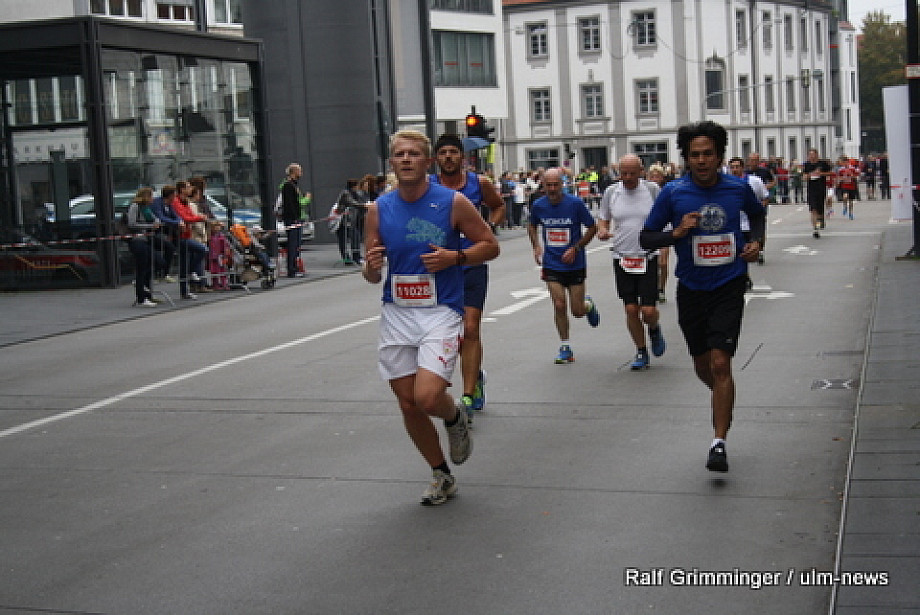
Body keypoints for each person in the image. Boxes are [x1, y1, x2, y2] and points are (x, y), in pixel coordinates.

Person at [362, 129, 499, 506]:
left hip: (441, 310)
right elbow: (371, 273)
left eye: (413, 154)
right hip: (397, 313)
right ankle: (441, 474)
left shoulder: (453, 202)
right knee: (408, 403)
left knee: (427, 396)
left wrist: (456, 257)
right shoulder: (377, 209)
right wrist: (371, 268)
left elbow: (490, 246)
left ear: (427, 161)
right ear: (392, 162)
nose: (406, 159)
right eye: (399, 154)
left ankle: (454, 417)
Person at [640, 121, 765, 472]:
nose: (702, 160)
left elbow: (757, 215)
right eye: (695, 155)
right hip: (692, 289)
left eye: (708, 154)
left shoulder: (737, 188)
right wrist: (676, 232)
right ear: (686, 158)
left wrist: (756, 242)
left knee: (721, 363)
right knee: (702, 365)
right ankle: (723, 396)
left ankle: (718, 442)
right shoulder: (673, 193)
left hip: (729, 284)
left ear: (719, 156)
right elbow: (647, 238)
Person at [430, 133, 505, 421]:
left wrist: (489, 227)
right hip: (440, 268)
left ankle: (468, 393)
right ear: (436, 158)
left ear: (462, 157)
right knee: (446, 333)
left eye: (453, 152)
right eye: (443, 152)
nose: (448, 157)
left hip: (472, 263)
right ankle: (467, 378)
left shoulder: (478, 183)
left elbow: (498, 205)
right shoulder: (429, 186)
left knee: (471, 328)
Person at [596, 154, 666, 370]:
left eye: (631, 174)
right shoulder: (612, 192)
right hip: (622, 257)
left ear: (641, 172)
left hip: (647, 256)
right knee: (631, 309)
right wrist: (602, 230)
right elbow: (603, 218)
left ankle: (654, 328)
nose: (626, 178)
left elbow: (664, 218)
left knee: (648, 311)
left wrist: (664, 244)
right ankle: (641, 350)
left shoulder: (652, 190)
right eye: (623, 173)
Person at [527, 167, 601, 364]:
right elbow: (532, 225)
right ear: (543, 186)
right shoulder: (539, 205)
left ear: (562, 185)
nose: (552, 189)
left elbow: (592, 227)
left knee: (577, 311)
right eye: (548, 185)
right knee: (559, 305)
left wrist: (576, 248)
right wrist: (536, 246)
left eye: (555, 185)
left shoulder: (575, 204)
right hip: (552, 263)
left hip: (574, 264)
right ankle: (565, 346)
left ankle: (587, 305)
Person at [125, 187, 164, 307]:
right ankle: (141, 297)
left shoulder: (146, 208)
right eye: (151, 196)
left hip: (146, 240)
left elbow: (154, 218)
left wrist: (156, 222)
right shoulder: (135, 206)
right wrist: (149, 226)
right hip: (137, 240)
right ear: (145, 196)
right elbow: (132, 223)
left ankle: (144, 288)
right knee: (142, 267)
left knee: (156, 261)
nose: (152, 199)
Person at [171, 180, 209, 300]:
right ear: (182, 189)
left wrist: (197, 217)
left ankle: (184, 291)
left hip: (187, 234)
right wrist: (199, 218)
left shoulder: (185, 201)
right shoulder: (176, 202)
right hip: (180, 235)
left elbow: (189, 215)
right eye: (188, 187)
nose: (190, 188)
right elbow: (185, 217)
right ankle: (191, 271)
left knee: (184, 262)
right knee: (202, 249)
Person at [646, 164, 671, 303]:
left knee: (663, 262)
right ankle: (652, 287)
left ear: (662, 178)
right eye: (652, 176)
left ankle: (661, 289)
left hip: (665, 229)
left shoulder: (667, 191)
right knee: (652, 262)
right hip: (651, 230)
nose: (655, 179)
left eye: (657, 176)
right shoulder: (644, 192)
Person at [281, 163, 306, 277]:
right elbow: (289, 204)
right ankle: (291, 269)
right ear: (294, 172)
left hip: (296, 218)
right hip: (292, 219)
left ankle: (295, 267)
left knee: (296, 244)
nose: (301, 173)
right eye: (299, 171)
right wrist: (295, 218)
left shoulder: (294, 185)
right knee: (292, 244)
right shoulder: (288, 186)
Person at [802, 148, 832, 239]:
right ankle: (815, 229)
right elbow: (804, 176)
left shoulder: (822, 163)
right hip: (811, 190)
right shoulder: (806, 165)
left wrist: (820, 173)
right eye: (810, 155)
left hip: (821, 189)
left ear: (816, 155)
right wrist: (808, 176)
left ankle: (820, 220)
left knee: (819, 211)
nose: (811, 156)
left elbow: (830, 173)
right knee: (813, 210)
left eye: (813, 154)